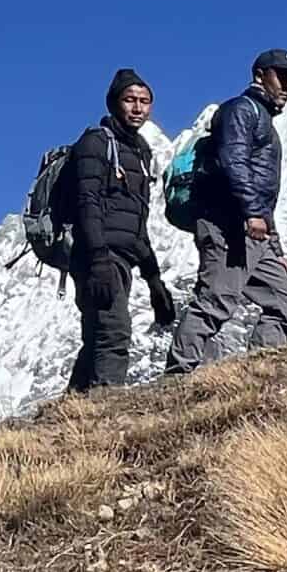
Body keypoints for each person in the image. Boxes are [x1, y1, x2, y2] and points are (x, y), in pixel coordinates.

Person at [166, 49, 287, 373]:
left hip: (254, 231)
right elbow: (233, 162)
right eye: (282, 76)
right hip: (227, 224)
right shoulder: (240, 110)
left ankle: (257, 370)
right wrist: (250, 213)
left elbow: (261, 191)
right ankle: (177, 376)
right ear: (261, 75)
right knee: (216, 300)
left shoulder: (264, 121)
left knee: (285, 305)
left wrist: (275, 246)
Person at [67, 69, 178, 393]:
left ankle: (67, 415)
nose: (138, 108)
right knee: (113, 332)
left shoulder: (141, 152)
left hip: (123, 260)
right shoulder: (96, 142)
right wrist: (99, 259)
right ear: (114, 103)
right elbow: (86, 202)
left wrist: (154, 279)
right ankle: (103, 410)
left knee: (97, 339)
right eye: (130, 100)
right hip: (97, 258)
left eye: (145, 101)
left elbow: (137, 221)